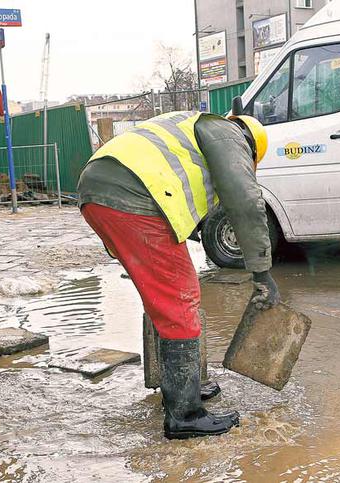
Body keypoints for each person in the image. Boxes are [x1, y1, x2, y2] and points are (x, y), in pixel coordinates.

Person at [77, 111, 281, 440]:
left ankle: (180, 388)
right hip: (133, 197)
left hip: (99, 190)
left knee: (164, 298)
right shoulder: (228, 132)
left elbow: (187, 195)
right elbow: (245, 200)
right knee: (180, 298)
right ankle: (185, 415)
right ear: (251, 146)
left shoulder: (187, 128)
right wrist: (262, 272)